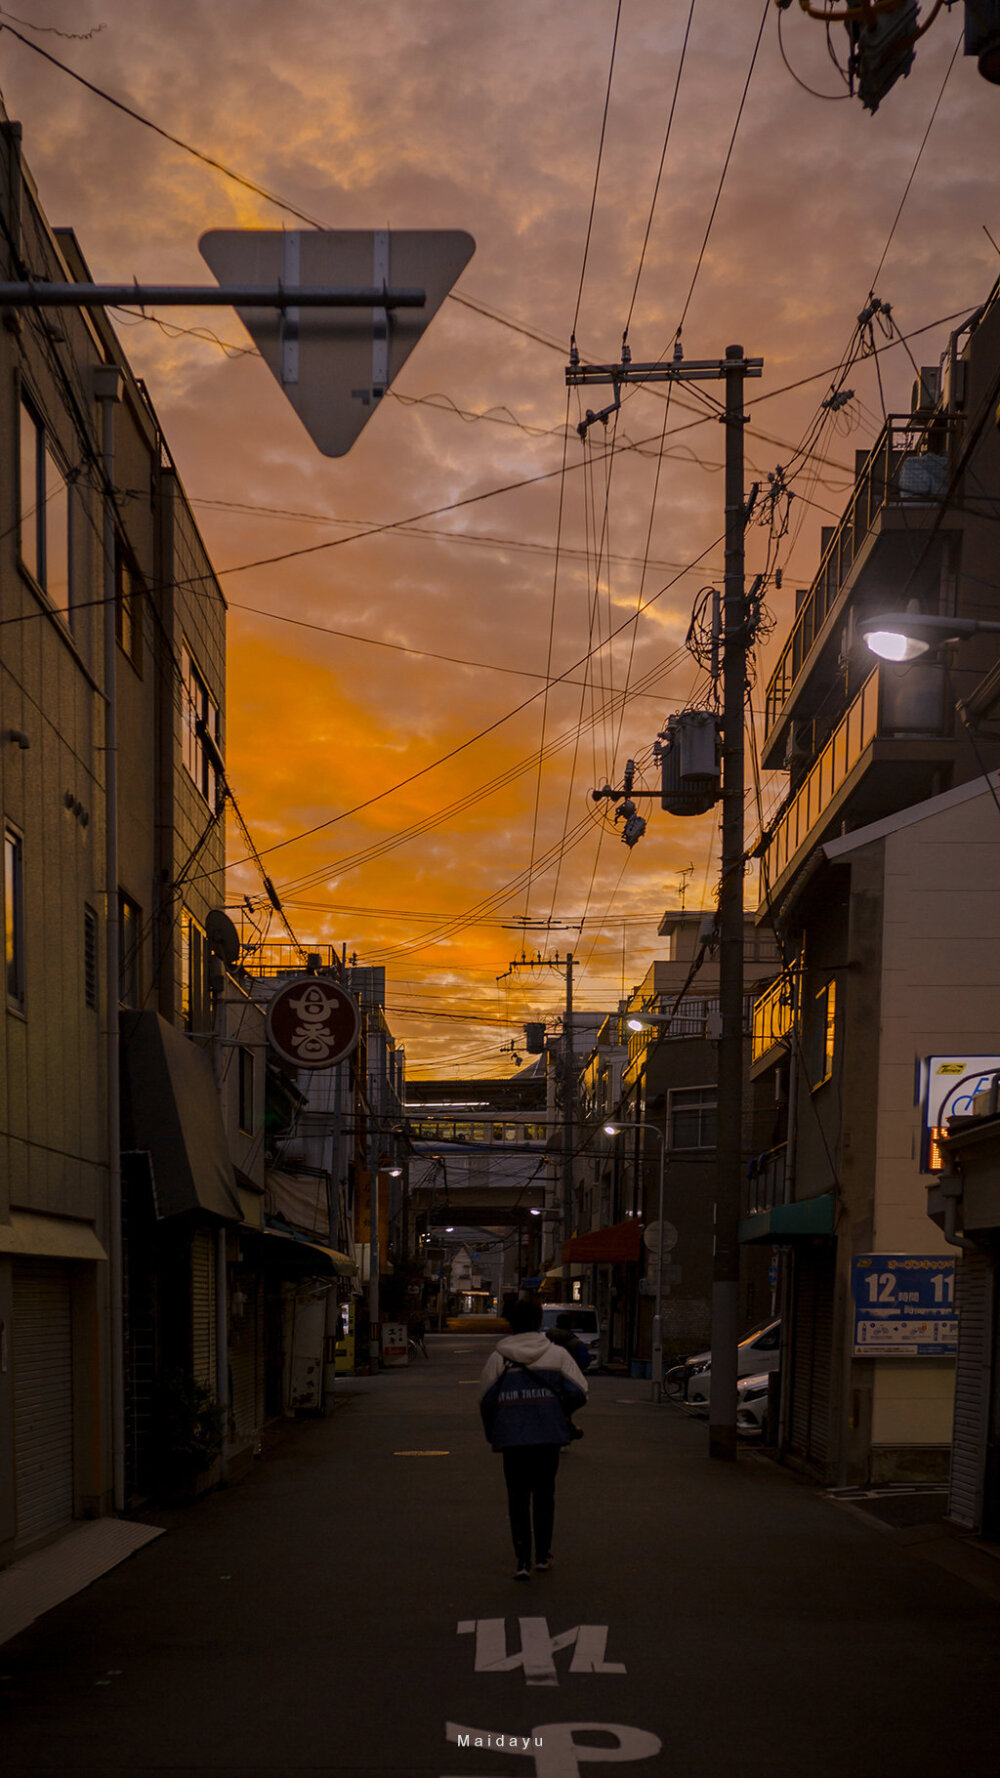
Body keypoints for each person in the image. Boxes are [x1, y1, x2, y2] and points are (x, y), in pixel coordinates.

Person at [479, 1297, 588, 1581]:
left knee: (517, 1498)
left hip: (512, 1439)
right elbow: (580, 1392)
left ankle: (522, 1561)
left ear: (510, 1324)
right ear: (540, 1322)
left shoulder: (498, 1358)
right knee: (544, 1496)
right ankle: (543, 1556)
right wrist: (557, 1411)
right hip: (548, 1437)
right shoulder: (557, 1355)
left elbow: (486, 1402)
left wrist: (494, 1433)